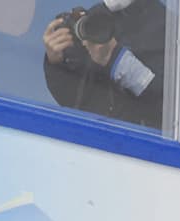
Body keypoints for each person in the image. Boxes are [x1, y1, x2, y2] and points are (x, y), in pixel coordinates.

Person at [42, 0, 167, 130]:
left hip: (135, 140)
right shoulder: (93, 17)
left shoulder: (172, 29)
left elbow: (169, 110)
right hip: (88, 135)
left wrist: (115, 59)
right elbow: (75, 100)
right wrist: (57, 61)